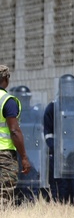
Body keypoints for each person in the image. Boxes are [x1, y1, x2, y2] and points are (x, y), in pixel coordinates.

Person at [43, 74, 74, 207]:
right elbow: (48, 134)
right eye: (65, 86)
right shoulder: (53, 107)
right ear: (60, 87)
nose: (68, 89)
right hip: (60, 155)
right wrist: (56, 150)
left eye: (71, 86)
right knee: (61, 189)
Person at [0, 66, 32, 206]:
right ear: (6, 79)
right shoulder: (8, 101)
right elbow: (14, 131)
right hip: (4, 156)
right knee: (4, 197)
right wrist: (24, 156)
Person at [10, 85, 44, 204]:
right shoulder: (12, 114)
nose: (23, 101)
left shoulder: (35, 114)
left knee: (30, 187)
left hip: (32, 155)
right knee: (15, 187)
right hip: (15, 154)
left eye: (25, 99)